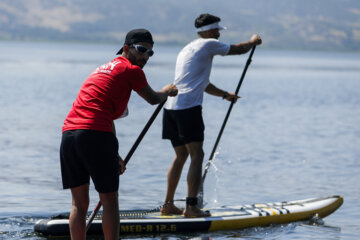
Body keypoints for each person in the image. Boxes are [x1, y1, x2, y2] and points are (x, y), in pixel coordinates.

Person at [60, 29, 178, 240]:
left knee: (79, 203)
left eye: (150, 53)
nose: (145, 57)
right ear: (126, 48)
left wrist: (114, 154)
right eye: (141, 50)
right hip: (94, 134)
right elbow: (152, 98)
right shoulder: (132, 71)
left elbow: (106, 116)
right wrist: (167, 91)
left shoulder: (101, 70)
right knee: (110, 201)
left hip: (69, 135)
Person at [161, 14, 262, 217]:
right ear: (208, 31)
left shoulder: (188, 48)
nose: (218, 34)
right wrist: (252, 43)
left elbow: (202, 84)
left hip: (171, 108)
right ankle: (191, 207)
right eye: (216, 30)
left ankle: (168, 205)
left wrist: (225, 95)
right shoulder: (208, 45)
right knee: (197, 155)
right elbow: (236, 49)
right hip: (188, 108)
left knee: (181, 156)